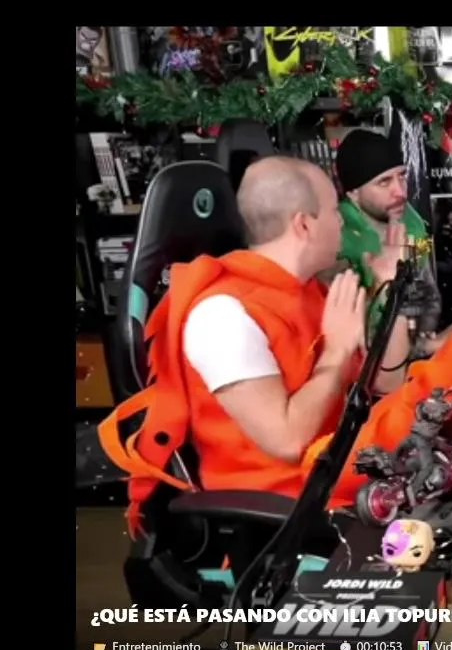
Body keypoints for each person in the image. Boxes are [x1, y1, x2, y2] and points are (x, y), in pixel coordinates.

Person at [101, 157, 414, 531]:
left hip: (347, 479)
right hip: (286, 518)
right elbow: (287, 440)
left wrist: (391, 289)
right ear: (303, 224)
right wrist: (336, 351)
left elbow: (387, 382)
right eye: (334, 211)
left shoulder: (310, 292)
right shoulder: (222, 315)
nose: (342, 222)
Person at [334, 129, 452, 357]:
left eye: (402, 176)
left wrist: (425, 337)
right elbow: (353, 341)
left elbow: (429, 294)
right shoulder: (336, 241)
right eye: (384, 182)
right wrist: (428, 346)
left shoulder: (411, 221)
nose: (400, 192)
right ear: (353, 192)